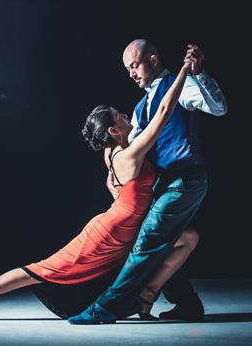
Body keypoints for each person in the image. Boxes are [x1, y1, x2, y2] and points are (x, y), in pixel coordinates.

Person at [0, 49, 193, 321]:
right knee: (41, 270)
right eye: (119, 116)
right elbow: (164, 112)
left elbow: (115, 183)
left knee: (189, 239)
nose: (126, 116)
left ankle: (148, 296)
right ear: (113, 131)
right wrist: (184, 71)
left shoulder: (112, 152)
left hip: (126, 228)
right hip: (108, 235)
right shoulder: (130, 155)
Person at [68, 40, 227, 324]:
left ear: (152, 60)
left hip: (185, 178)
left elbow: (218, 108)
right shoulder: (140, 107)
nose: (131, 73)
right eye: (127, 68)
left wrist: (199, 74)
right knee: (168, 241)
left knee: (148, 241)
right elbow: (128, 144)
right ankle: (186, 304)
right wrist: (111, 171)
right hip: (162, 184)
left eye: (134, 65)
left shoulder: (183, 85)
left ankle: (107, 307)